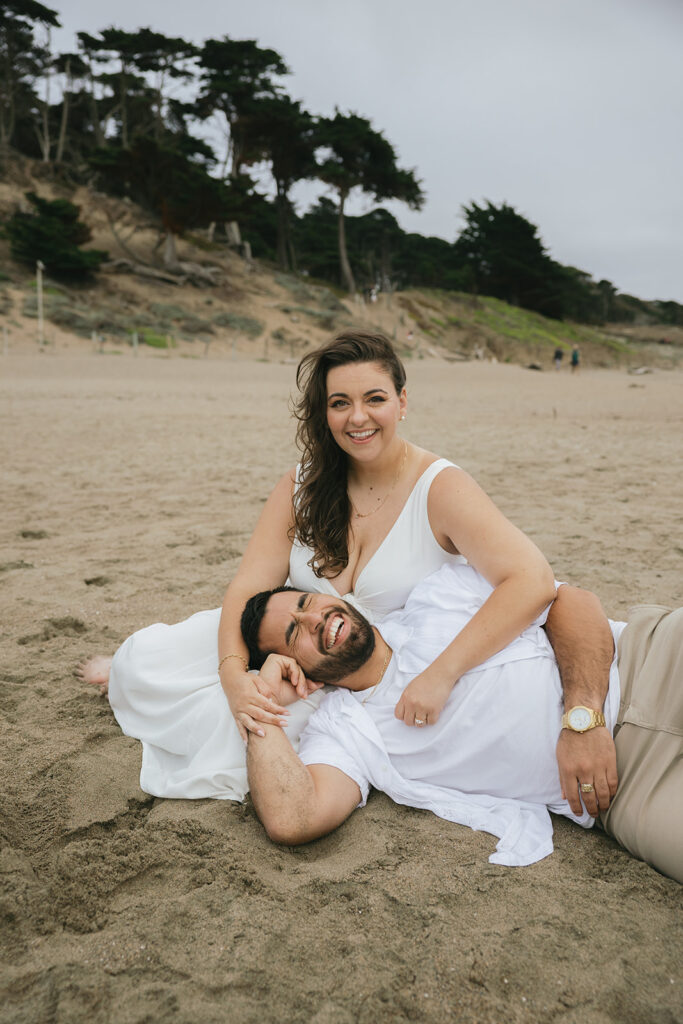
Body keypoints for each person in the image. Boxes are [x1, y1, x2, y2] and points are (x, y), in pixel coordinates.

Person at [81, 330, 592, 802]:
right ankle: (133, 670)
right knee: (151, 667)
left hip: (361, 673)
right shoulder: (302, 483)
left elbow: (533, 581)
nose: (358, 418)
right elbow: (248, 585)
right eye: (339, 403)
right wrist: (235, 677)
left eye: (375, 399)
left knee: (233, 741)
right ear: (323, 413)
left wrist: (443, 673)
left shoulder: (441, 487)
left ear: (403, 401)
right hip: (292, 633)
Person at [240, 567, 682, 882]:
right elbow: (292, 818)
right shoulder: (347, 730)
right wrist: (261, 693)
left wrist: (582, 719)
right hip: (624, 790)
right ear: (300, 673)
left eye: (305, 604)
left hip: (646, 661)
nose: (315, 619)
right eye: (293, 633)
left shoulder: (438, 595)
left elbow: (571, 602)